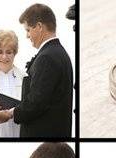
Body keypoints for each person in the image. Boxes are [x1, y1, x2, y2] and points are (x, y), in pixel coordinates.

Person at [9, 4, 73, 137]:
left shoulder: (47, 57)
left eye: (28, 30)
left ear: (39, 26)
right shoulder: (58, 52)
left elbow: (37, 102)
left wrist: (12, 113)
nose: (27, 36)